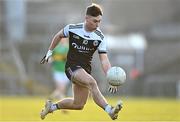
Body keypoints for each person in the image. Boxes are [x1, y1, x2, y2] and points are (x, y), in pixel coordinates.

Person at [40, 3, 122, 120]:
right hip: (72, 67)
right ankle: (110, 110)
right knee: (92, 83)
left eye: (99, 21)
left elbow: (104, 60)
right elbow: (58, 35)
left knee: (78, 104)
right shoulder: (73, 28)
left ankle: (51, 107)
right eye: (95, 21)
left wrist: (110, 76)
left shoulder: (100, 37)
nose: (97, 24)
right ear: (86, 18)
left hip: (85, 70)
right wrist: (50, 51)